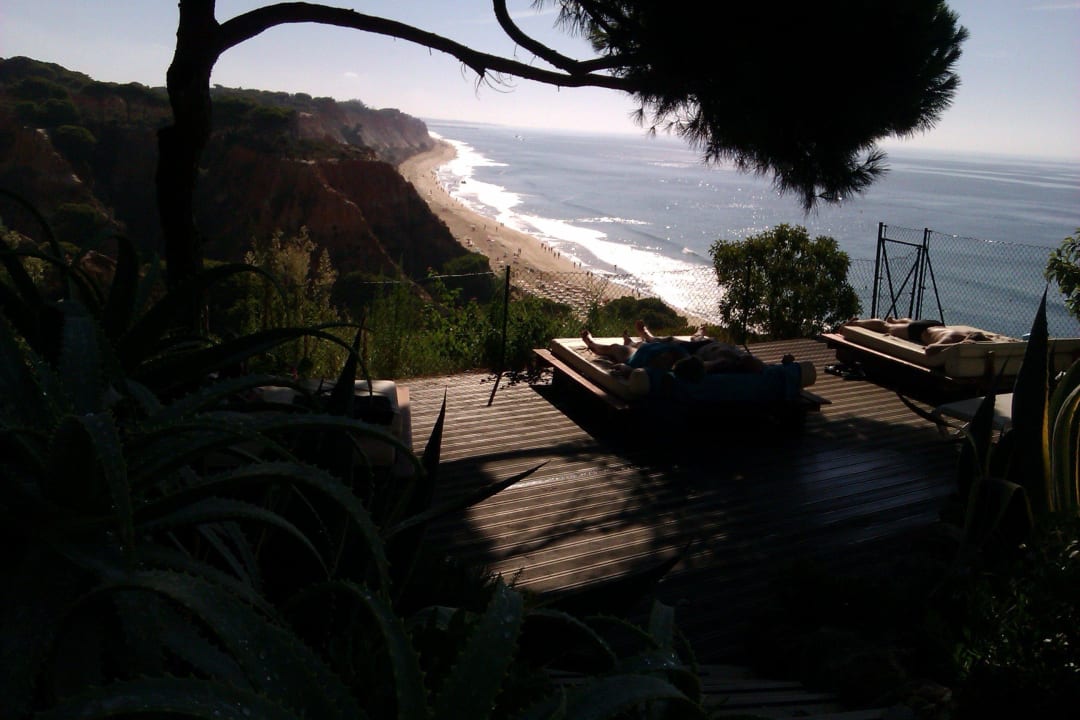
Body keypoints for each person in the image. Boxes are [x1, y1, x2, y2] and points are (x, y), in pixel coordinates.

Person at [580, 322, 765, 378]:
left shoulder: (694, 367)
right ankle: (641, 338)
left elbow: (646, 374)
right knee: (647, 345)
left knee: (617, 349)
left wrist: (628, 370)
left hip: (652, 354)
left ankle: (594, 345)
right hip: (677, 350)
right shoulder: (729, 361)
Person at [842, 317, 992, 355]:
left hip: (937, 324)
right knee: (885, 327)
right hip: (920, 331)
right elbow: (930, 349)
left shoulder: (971, 334)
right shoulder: (951, 340)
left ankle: (897, 320)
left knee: (908, 323)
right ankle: (856, 322)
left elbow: (985, 339)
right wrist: (957, 346)